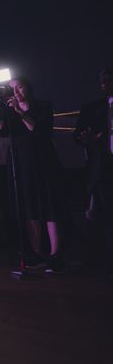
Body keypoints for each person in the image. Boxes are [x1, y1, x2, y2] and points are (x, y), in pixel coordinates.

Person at [0, 77, 67, 273]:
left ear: (28, 87)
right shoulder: (9, 111)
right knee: (30, 206)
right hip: (21, 163)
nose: (15, 92)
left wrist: (19, 112)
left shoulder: (42, 106)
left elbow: (38, 130)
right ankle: (36, 253)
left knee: (50, 205)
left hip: (43, 161)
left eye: (19, 87)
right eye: (12, 89)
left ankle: (55, 254)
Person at [74, 68, 113, 275]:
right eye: (102, 81)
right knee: (102, 216)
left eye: (109, 80)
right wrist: (87, 139)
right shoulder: (93, 108)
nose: (104, 84)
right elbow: (77, 135)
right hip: (103, 170)